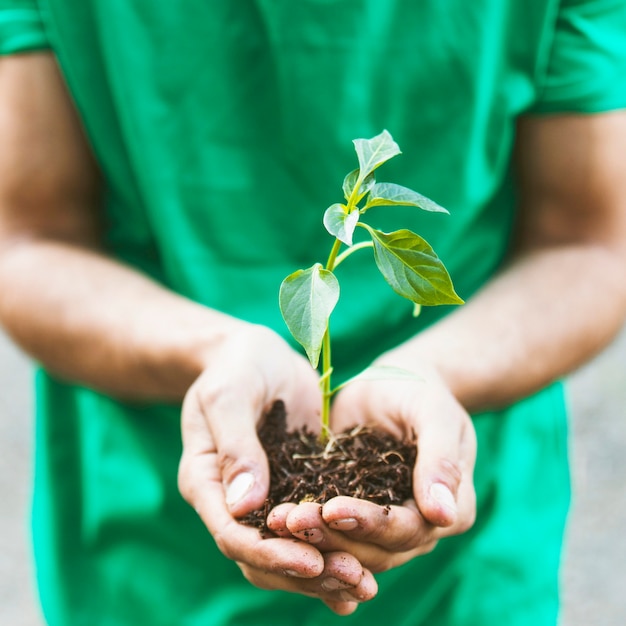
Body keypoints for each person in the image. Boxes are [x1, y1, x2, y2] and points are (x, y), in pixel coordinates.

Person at [1, 1, 625, 624]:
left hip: (464, 560)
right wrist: (214, 351)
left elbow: (593, 243)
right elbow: (24, 240)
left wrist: (435, 371)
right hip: (146, 541)